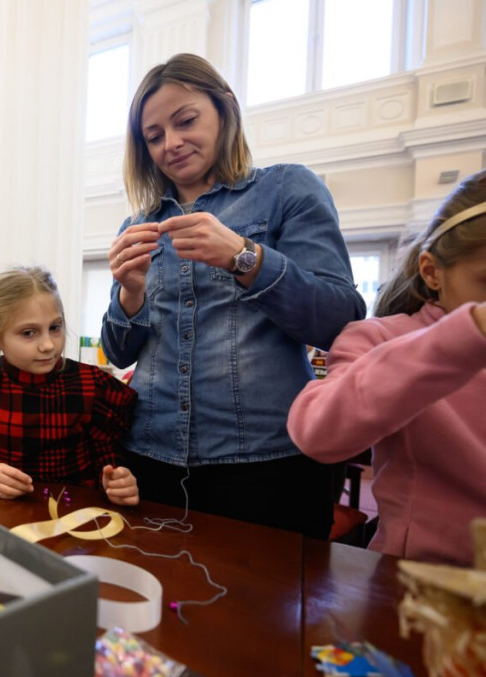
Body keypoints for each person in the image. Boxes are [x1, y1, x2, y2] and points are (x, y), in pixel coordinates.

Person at [100, 53, 366, 538]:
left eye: (186, 121)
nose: (171, 144)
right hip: (150, 455)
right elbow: (118, 352)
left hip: (267, 461)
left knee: (269, 607)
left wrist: (246, 257)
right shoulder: (137, 225)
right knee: (159, 598)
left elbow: (340, 320)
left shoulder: (286, 190)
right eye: (154, 136)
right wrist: (130, 296)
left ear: (224, 109)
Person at [288, 170, 486, 565]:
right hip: (424, 590)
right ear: (432, 272)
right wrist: (468, 333)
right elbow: (315, 430)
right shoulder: (380, 338)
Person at [0, 266, 139, 506]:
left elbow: (106, 455)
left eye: (55, 327)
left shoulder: (90, 385)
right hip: (12, 510)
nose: (48, 345)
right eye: (29, 333)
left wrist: (116, 480)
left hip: (77, 514)